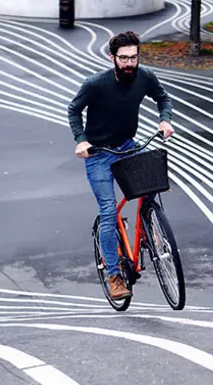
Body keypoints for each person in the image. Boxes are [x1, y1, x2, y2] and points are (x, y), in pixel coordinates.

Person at [67, 30, 174, 300]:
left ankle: (150, 228)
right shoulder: (96, 84)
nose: (129, 63)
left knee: (152, 182)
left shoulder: (145, 77)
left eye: (134, 58)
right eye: (123, 58)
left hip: (127, 145)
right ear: (112, 57)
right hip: (99, 153)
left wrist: (165, 119)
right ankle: (114, 276)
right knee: (107, 211)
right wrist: (81, 140)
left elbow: (163, 98)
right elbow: (74, 109)